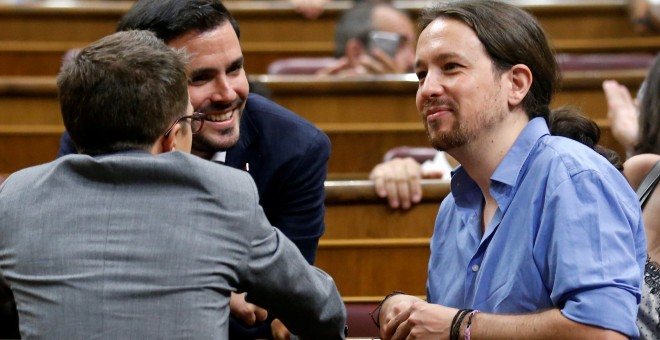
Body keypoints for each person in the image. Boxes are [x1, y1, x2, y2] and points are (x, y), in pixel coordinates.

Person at [0, 30, 346, 339]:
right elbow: (322, 312)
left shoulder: (16, 197)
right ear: (170, 138)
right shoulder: (225, 193)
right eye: (190, 120)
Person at [374, 1, 646, 339]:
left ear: (516, 84)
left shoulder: (573, 177)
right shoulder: (451, 210)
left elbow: (602, 333)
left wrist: (459, 326)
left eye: (451, 67)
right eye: (421, 74)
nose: (427, 89)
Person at [317, 1, 416, 75]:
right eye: (400, 45)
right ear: (356, 52)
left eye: (413, 47)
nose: (413, 60)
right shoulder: (315, 97)